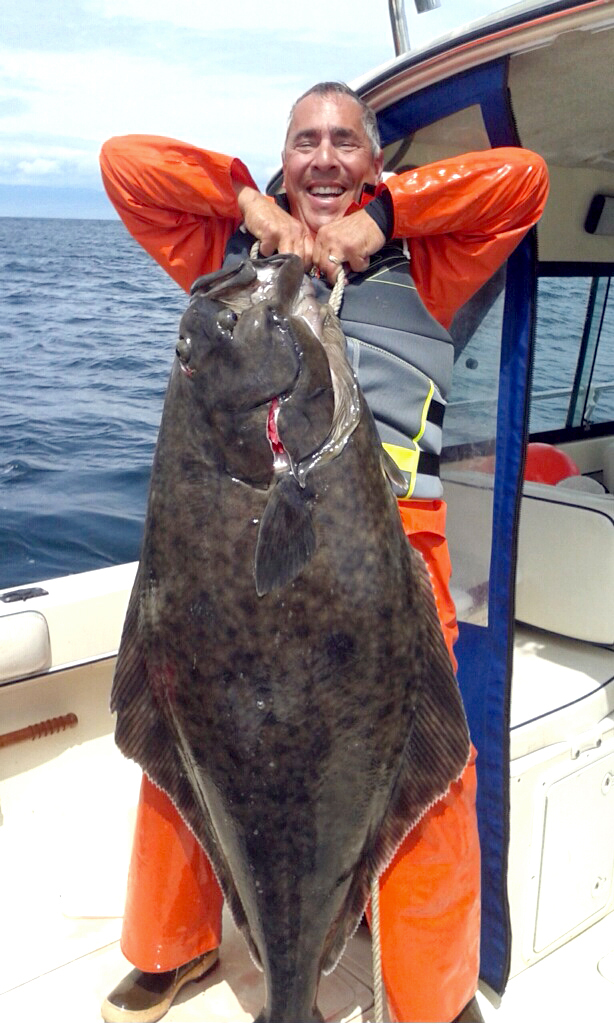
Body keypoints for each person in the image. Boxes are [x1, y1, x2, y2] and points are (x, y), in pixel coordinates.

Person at [99, 82, 549, 1024]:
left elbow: (524, 180)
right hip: (235, 551)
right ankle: (175, 946)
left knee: (429, 775)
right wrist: (245, 204)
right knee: (190, 739)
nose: (326, 158)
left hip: (387, 556)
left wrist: (384, 221)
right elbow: (126, 167)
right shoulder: (232, 261)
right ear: (284, 159)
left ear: (375, 165)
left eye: (347, 141)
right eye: (306, 141)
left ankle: (432, 995)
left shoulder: (429, 265)